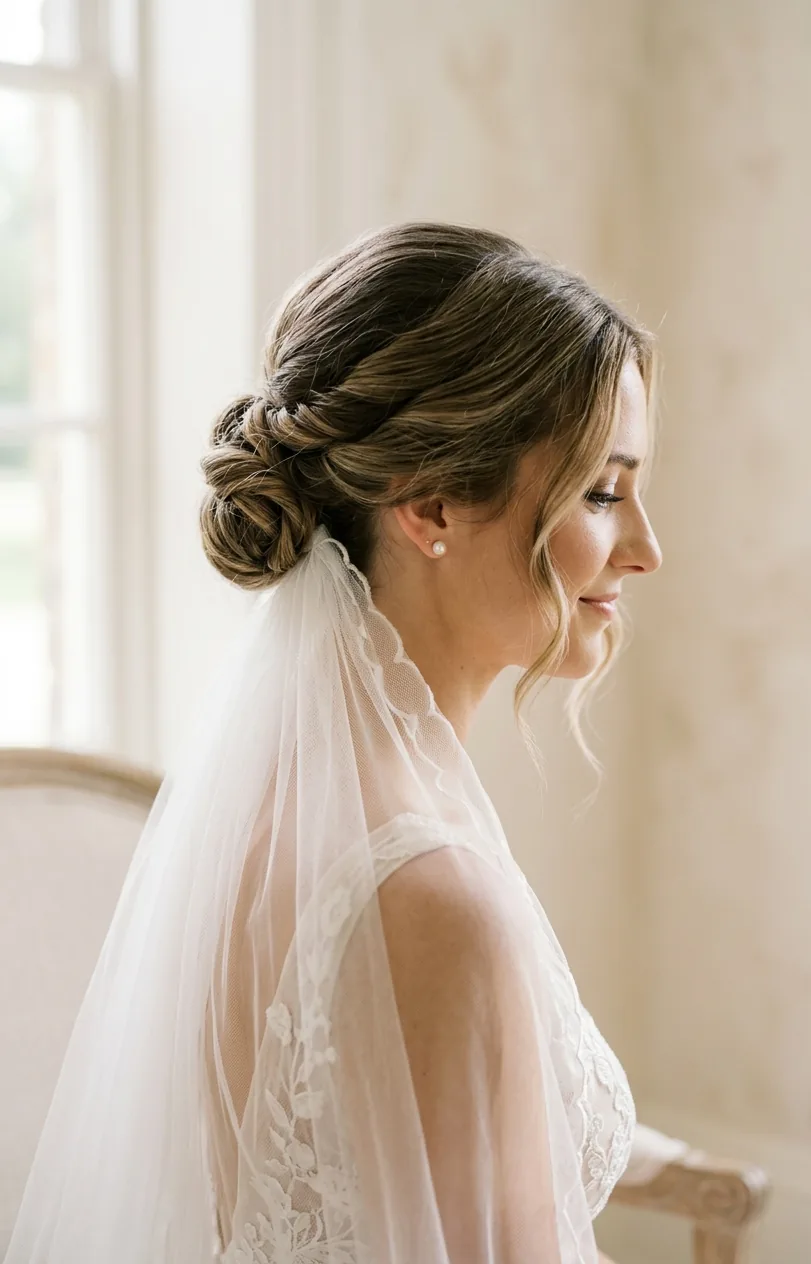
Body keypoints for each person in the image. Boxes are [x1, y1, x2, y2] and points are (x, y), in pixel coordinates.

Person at [7, 222, 662, 1263]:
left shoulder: (264, 815)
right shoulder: (436, 897)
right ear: (430, 501)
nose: (643, 549)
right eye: (599, 489)